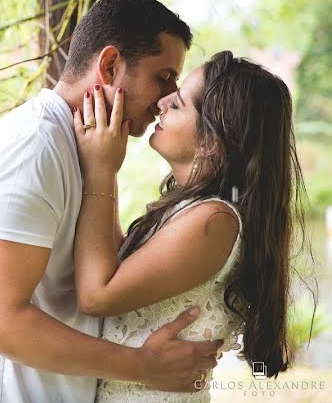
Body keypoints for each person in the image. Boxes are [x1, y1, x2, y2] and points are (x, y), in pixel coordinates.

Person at [0, 0, 222, 402]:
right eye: (163, 77)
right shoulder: (33, 147)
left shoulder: (90, 151)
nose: (165, 100)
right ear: (109, 65)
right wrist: (142, 365)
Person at [72, 51, 306, 402]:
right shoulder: (196, 211)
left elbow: (97, 294)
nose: (163, 101)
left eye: (178, 104)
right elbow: (120, 270)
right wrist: (107, 164)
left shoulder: (214, 222)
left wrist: (101, 172)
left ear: (211, 143)